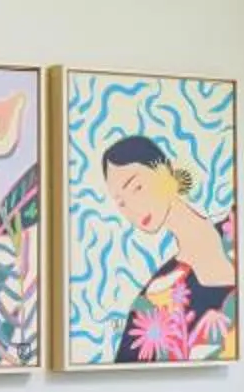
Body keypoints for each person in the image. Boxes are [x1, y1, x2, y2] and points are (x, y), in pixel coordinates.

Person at [97, 132, 236, 362]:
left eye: (136, 187)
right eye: (121, 203)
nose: (132, 207)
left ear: (165, 170)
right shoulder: (154, 298)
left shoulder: (238, 228)